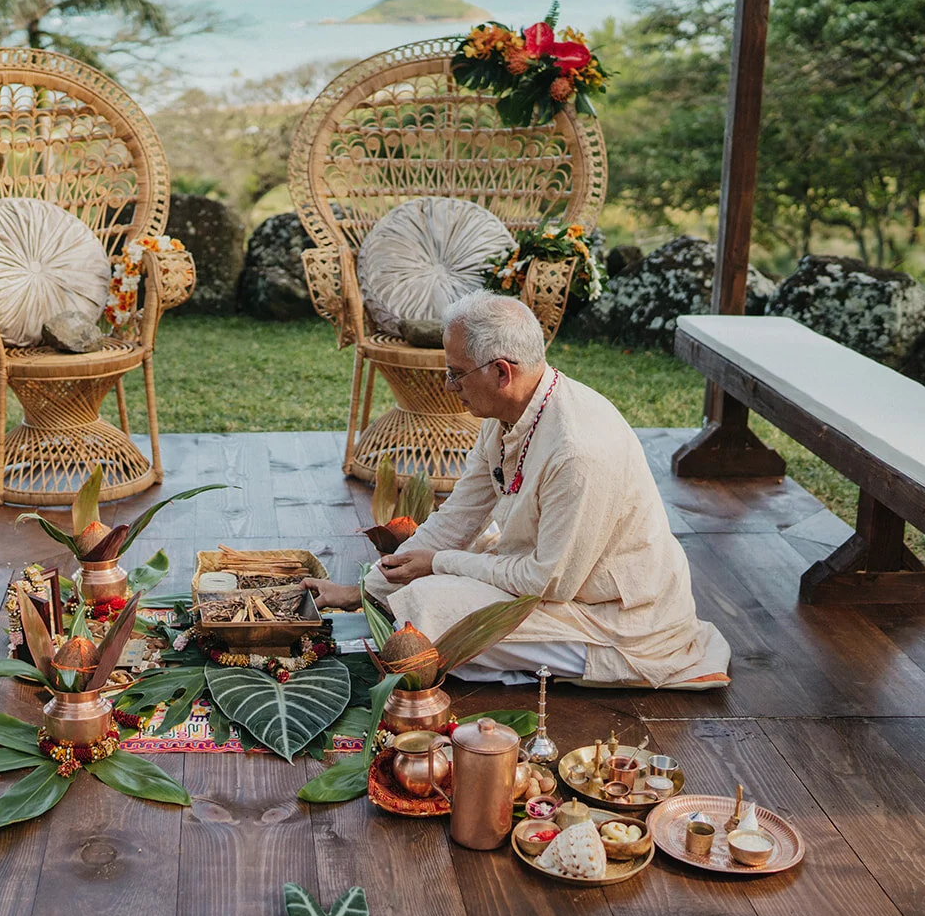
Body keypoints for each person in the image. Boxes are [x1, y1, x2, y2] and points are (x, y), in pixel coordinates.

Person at [302, 292, 731, 689]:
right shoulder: (507, 415)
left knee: (426, 610)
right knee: (420, 600)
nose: (449, 386)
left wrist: (440, 564)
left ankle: (532, 669)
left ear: (501, 372)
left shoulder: (577, 451)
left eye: (455, 374)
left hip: (615, 619)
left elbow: (548, 582)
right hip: (548, 585)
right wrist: (362, 592)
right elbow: (458, 517)